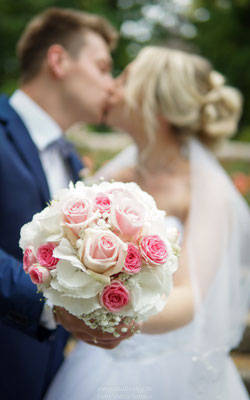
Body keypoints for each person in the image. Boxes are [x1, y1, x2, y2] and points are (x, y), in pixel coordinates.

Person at [45, 46, 250, 400]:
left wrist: (106, 313)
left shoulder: (204, 189)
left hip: (171, 370)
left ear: (155, 102)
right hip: (97, 360)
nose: (110, 86)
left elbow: (190, 296)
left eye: (123, 78)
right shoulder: (110, 177)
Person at [0, 8, 134, 400]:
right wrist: (52, 307)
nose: (111, 85)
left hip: (49, 377)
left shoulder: (72, 159)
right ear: (58, 61)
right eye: (103, 67)